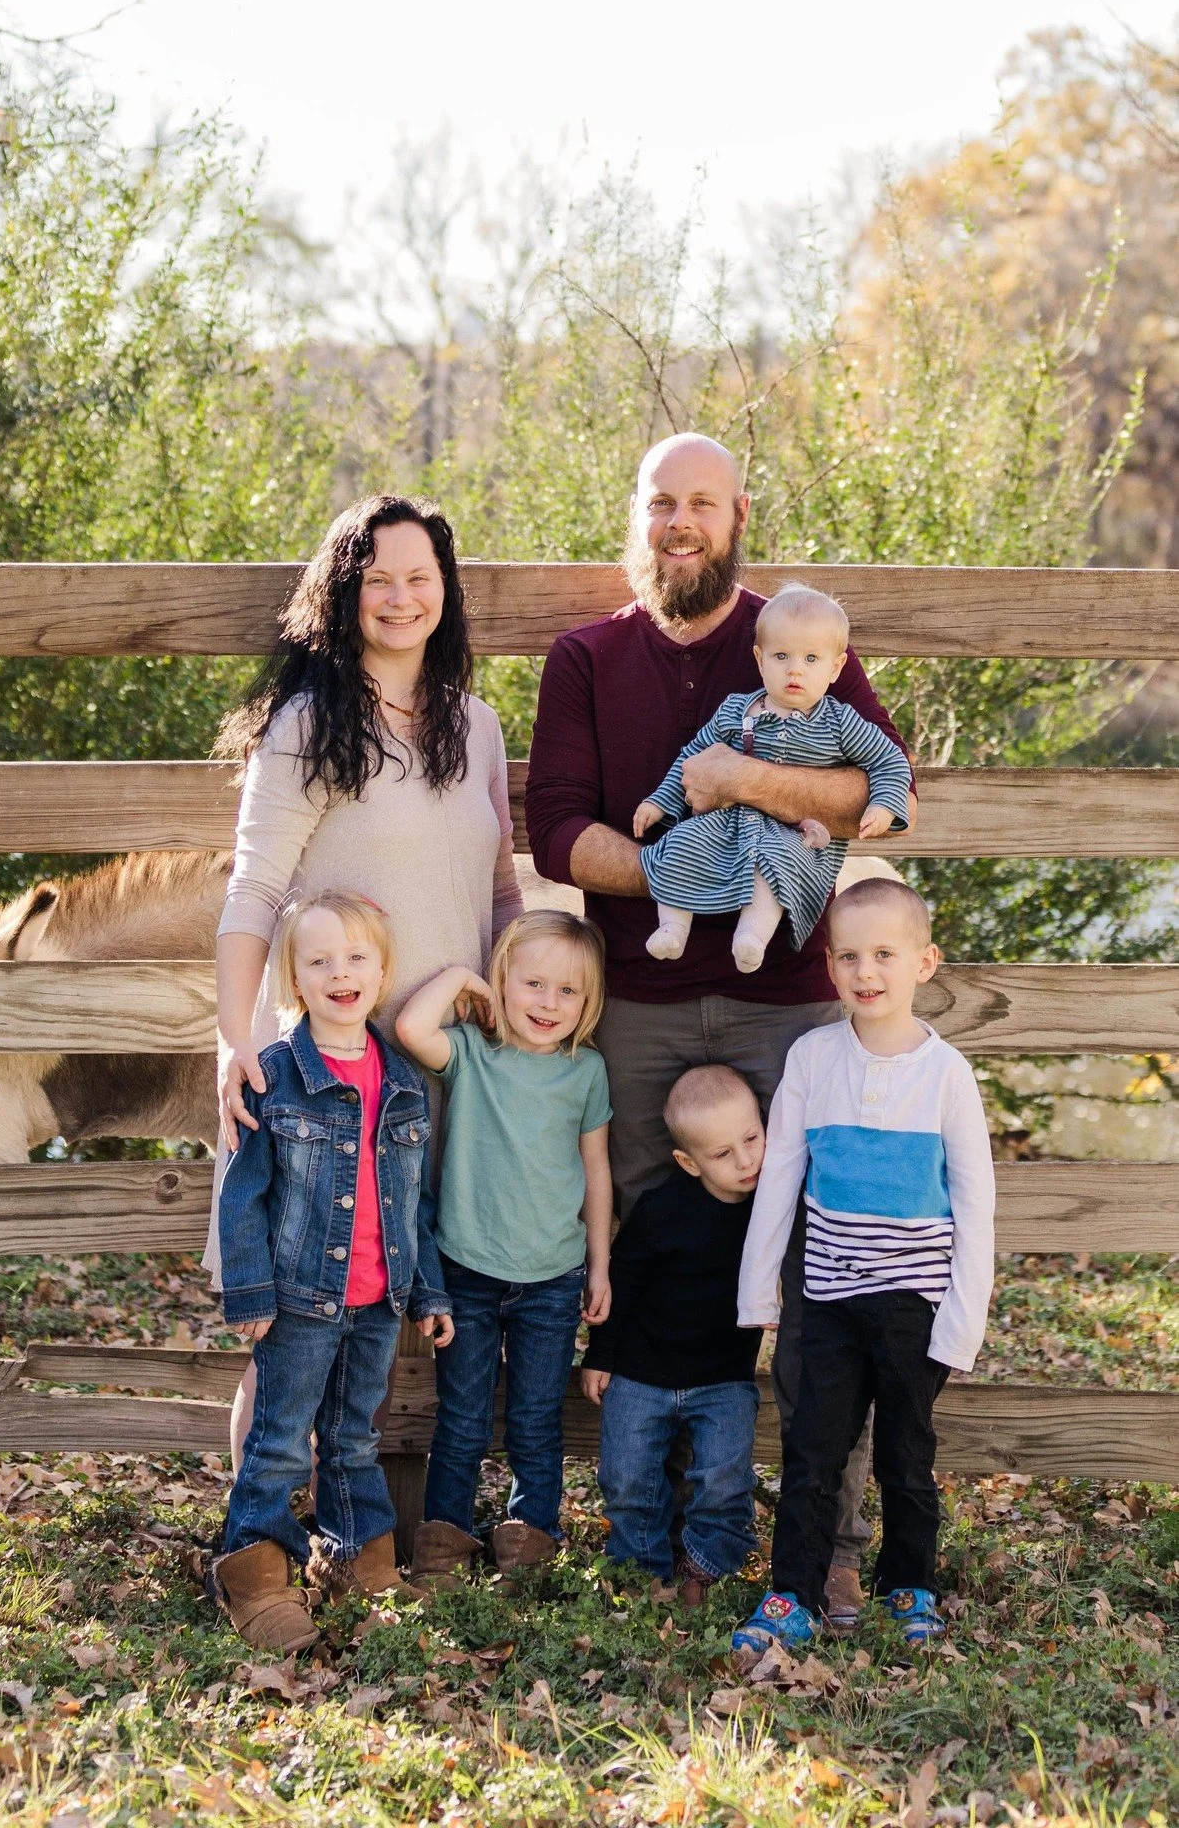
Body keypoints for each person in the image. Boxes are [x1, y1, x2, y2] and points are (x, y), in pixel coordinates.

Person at [524, 429, 914, 1625]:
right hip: (632, 1006)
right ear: (637, 513)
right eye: (662, 502)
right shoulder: (586, 656)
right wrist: (692, 873)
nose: (680, 521)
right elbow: (560, 836)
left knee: (820, 1259)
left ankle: (829, 1537)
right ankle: (673, 1526)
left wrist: (743, 787)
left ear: (739, 511)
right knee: (649, 1262)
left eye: (702, 501)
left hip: (788, 998)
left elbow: (875, 797)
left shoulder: (803, 637)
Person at [212, 493, 523, 1465]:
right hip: (322, 1079)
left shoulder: (476, 726)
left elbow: (502, 889)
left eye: (419, 577)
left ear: (446, 591)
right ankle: (255, 1541)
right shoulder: (308, 722)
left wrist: (520, 1022)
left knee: (391, 1297)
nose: (400, 596)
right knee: (291, 1329)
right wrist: (235, 1040)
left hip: (435, 1073)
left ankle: (358, 1530)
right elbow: (254, 890)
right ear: (343, 596)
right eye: (377, 578)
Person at [731, 878, 995, 1659]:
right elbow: (780, 1174)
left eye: (884, 953)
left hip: (914, 1304)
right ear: (829, 966)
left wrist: (960, 1321)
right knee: (813, 1451)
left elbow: (973, 1202)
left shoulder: (945, 1073)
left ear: (924, 962)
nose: (864, 970)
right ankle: (793, 1595)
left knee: (905, 1457)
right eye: (847, 955)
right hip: (831, 1301)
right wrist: (758, 1294)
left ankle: (909, 1587)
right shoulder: (812, 1058)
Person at [210, 891, 455, 1653]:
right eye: (318, 961)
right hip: (298, 1302)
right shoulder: (274, 1076)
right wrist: (248, 1290)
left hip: (380, 1302)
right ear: (294, 979)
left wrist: (429, 1290)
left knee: (354, 1437)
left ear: (381, 974)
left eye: (355, 958)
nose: (338, 974)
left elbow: (413, 1203)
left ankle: (358, 1560)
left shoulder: (406, 1081)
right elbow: (242, 1191)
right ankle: (252, 1574)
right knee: (281, 1441)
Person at [394, 910, 613, 1584]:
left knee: (535, 1420)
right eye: (533, 984)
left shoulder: (585, 1072)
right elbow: (409, 1029)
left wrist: (599, 1262)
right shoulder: (470, 1053)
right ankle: (443, 1545)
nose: (548, 1003)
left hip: (552, 1275)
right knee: (460, 1418)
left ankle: (528, 1545)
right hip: (467, 1270)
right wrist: (463, 977)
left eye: (567, 991)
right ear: (502, 984)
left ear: (588, 1001)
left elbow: (596, 1171)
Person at [635, 583, 911, 966]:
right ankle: (673, 928)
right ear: (760, 659)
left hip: (794, 830)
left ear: (835, 668)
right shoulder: (737, 710)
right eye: (782, 656)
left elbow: (890, 761)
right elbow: (693, 758)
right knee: (682, 841)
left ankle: (752, 936)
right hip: (728, 822)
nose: (795, 669)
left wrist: (883, 803)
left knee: (776, 862)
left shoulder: (840, 721)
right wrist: (659, 802)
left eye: (812, 659)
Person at [581, 1065, 765, 1608]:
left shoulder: (771, 1209)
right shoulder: (661, 1209)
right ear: (688, 1162)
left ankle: (707, 1569)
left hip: (724, 1379)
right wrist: (601, 1356)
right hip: (642, 1373)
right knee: (627, 1477)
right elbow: (625, 1284)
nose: (745, 1160)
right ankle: (642, 1569)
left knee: (724, 1479)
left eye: (751, 1139)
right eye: (722, 1154)